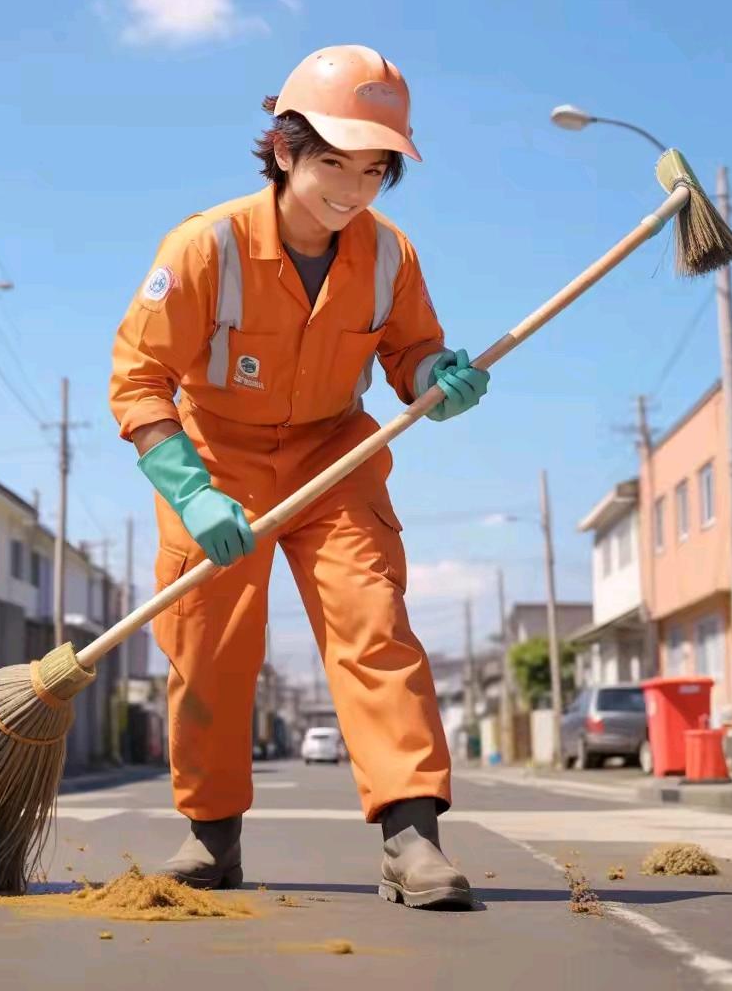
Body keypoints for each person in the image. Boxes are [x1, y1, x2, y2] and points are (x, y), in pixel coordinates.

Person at [109, 45, 489, 909]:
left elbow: (412, 352)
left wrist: (437, 379)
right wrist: (190, 491)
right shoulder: (206, 247)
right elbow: (138, 379)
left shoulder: (390, 255)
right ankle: (210, 837)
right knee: (206, 647)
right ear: (285, 151)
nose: (353, 191)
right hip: (215, 460)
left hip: (332, 459)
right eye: (334, 165)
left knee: (375, 625)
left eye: (374, 171)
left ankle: (412, 838)